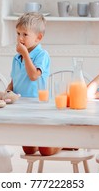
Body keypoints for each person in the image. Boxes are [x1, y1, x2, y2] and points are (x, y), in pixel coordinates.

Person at [6, 12, 60, 156]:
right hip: (21, 107)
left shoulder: (42, 55)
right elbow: (14, 80)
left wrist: (25, 54)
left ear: (38, 37)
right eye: (18, 33)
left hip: (38, 106)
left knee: (46, 150)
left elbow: (34, 75)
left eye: (25, 34)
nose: (20, 38)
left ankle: (66, 143)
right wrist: (6, 92)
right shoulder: (17, 58)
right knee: (28, 150)